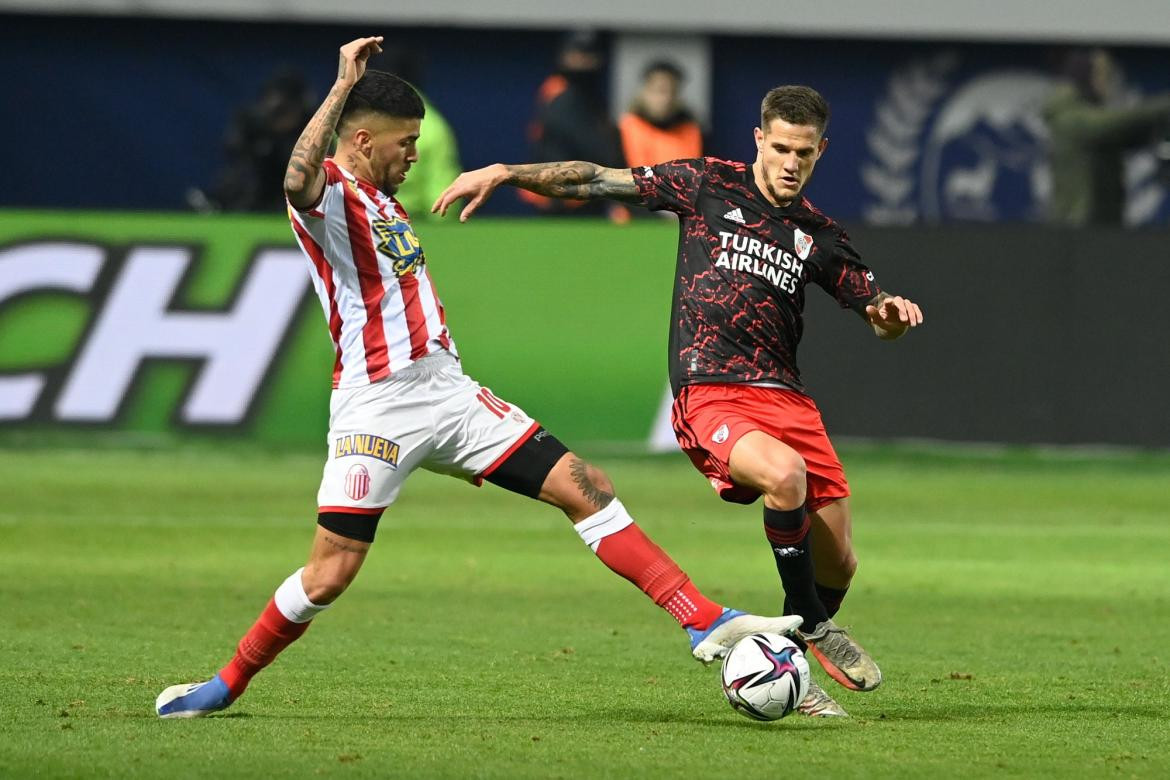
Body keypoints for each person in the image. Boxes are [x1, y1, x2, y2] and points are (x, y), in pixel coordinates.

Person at [154, 37, 801, 719]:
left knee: (585, 486)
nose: (413, 154)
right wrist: (343, 84)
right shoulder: (330, 196)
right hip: (377, 409)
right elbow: (294, 179)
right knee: (330, 573)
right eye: (405, 142)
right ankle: (227, 682)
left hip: (448, 393)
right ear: (364, 139)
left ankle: (701, 618)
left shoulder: (380, 200)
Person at [434, 85, 924, 718]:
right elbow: (593, 181)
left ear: (821, 150)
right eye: (780, 148)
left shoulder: (820, 234)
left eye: (804, 153)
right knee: (785, 477)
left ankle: (792, 656)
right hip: (711, 389)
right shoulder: (705, 184)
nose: (790, 163)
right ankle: (810, 627)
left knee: (841, 559)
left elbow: (873, 312)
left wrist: (890, 314)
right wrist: (507, 172)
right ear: (759, 140)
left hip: (789, 401)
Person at [1044, 47, 1170, 226]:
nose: (1107, 82)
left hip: (1102, 225)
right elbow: (1114, 123)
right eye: (1102, 74)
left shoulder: (1090, 118)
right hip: (1076, 227)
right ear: (1086, 78)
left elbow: (1127, 135)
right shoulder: (1070, 117)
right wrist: (1164, 105)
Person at [523, 31, 627, 219]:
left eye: (589, 55)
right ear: (564, 55)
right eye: (577, 53)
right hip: (559, 195)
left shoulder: (587, 92)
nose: (583, 60)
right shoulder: (559, 92)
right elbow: (589, 144)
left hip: (578, 191)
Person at [619, 60, 703, 168]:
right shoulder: (625, 128)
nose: (666, 99)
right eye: (659, 90)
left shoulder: (690, 129)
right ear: (644, 91)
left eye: (672, 91)